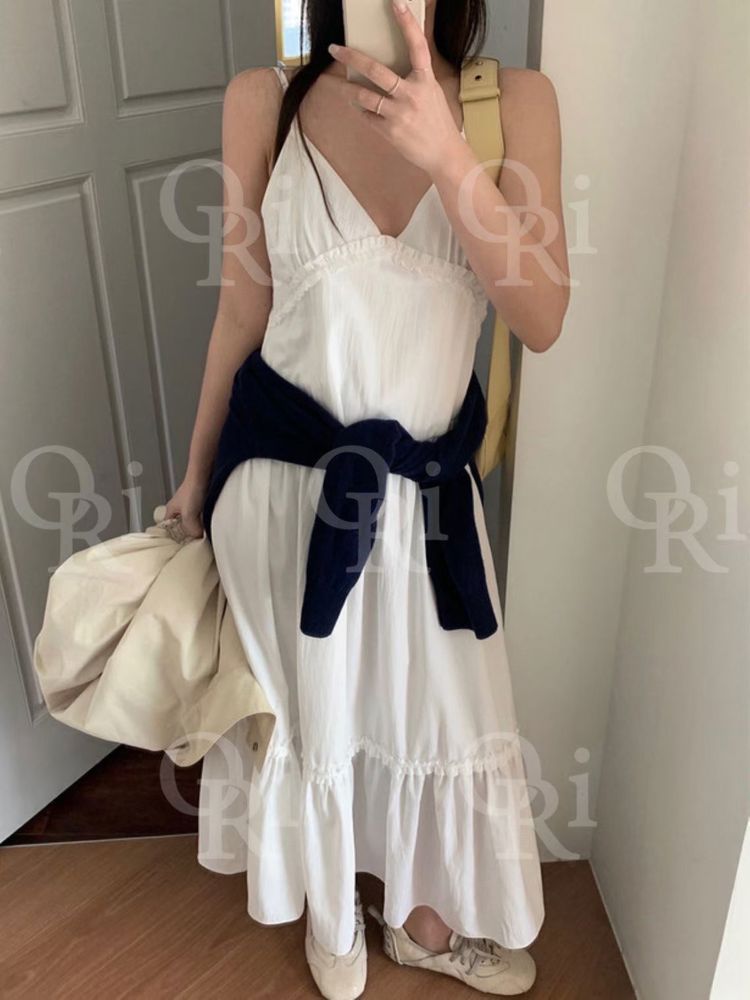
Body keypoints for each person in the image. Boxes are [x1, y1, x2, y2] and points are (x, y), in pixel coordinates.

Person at [166, 1, 569, 997]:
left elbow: (543, 315)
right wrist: (195, 477)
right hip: (285, 494)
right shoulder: (262, 102)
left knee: (438, 712)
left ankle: (422, 923)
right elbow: (241, 311)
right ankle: (332, 914)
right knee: (317, 717)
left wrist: (448, 155)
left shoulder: (514, 103)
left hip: (426, 507)